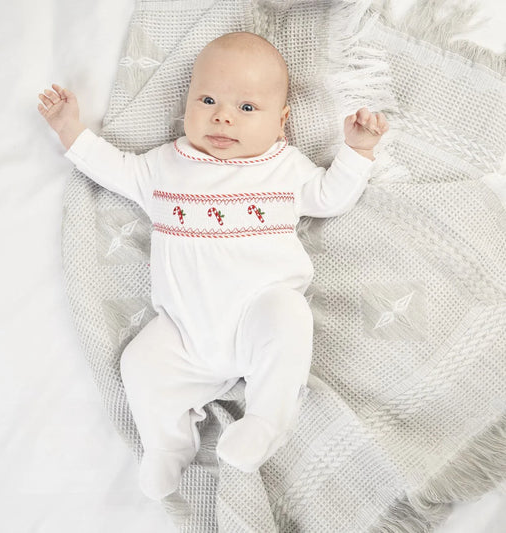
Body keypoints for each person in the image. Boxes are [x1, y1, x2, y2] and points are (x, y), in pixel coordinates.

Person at [38, 31, 389, 501]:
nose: (223, 115)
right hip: (185, 331)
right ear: (185, 106)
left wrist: (357, 152)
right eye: (207, 99)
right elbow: (113, 166)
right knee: (141, 363)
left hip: (258, 315)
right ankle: (166, 444)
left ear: (281, 123)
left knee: (289, 318)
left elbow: (330, 197)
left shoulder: (284, 168)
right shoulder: (164, 167)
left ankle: (266, 421)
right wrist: (69, 130)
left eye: (247, 108)